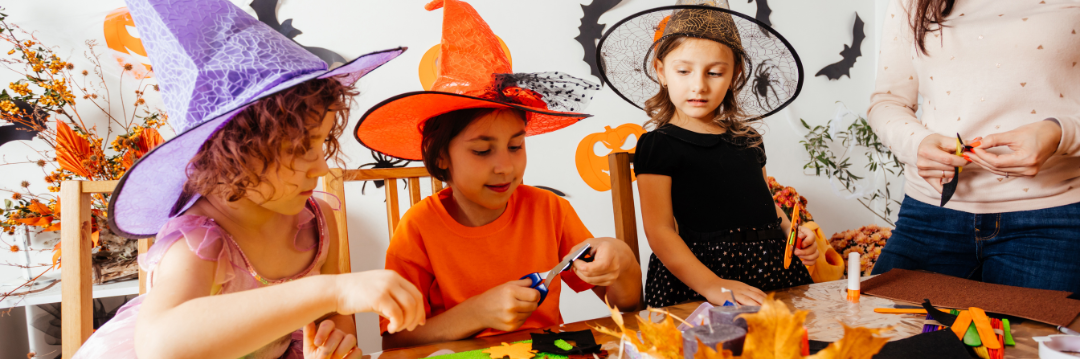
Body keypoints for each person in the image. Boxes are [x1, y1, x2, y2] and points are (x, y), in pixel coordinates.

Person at [74, 1, 423, 358]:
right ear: (234, 154)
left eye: (321, 144)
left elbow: (332, 321)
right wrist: (333, 289)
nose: (320, 168)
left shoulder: (316, 220)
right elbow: (160, 345)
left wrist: (334, 343)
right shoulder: (199, 239)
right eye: (300, 149)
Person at [353, 0, 641, 349]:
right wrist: (478, 314)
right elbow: (396, 343)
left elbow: (623, 307)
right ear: (441, 155)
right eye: (482, 150)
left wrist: (621, 259)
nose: (505, 166)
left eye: (516, 146)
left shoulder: (550, 211)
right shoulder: (418, 229)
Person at [595, 2, 821, 307]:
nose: (698, 85)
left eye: (714, 72)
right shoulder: (659, 144)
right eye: (684, 71)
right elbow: (659, 232)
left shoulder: (749, 140)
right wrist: (712, 285)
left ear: (735, 74)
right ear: (661, 71)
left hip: (774, 270)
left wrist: (793, 234)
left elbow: (765, 203)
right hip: (701, 279)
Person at [868, 0, 1080, 293]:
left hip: (1052, 221)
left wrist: (1060, 133)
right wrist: (917, 144)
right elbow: (888, 101)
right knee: (881, 336)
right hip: (929, 213)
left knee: (1027, 341)